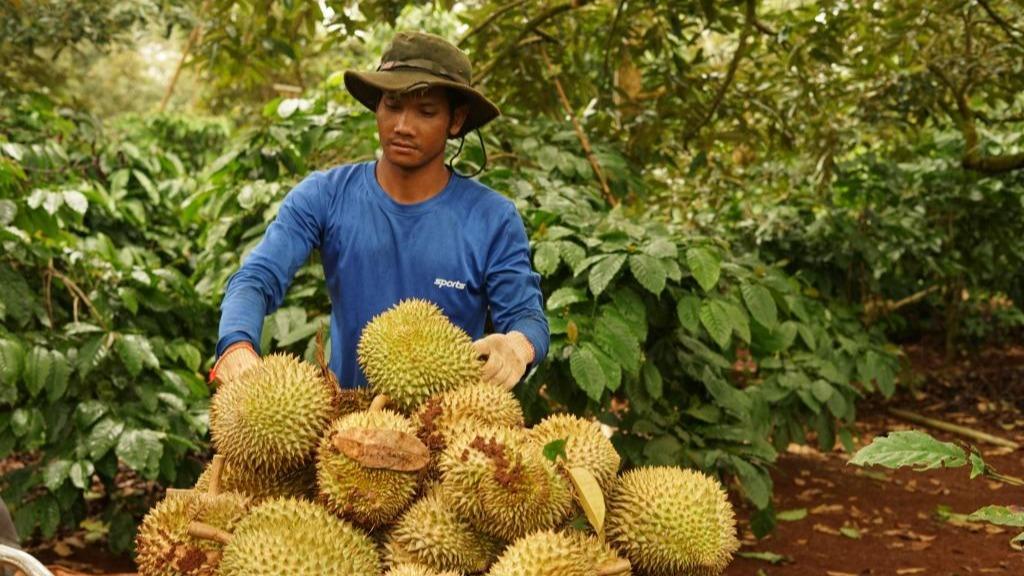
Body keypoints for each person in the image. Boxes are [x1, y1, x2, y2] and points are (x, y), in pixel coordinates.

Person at [209, 31, 549, 392]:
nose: (402, 125)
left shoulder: (492, 218)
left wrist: (516, 346)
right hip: (343, 424)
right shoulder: (325, 195)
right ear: (377, 107)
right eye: (393, 105)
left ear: (456, 120)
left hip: (446, 430)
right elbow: (256, 278)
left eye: (426, 111)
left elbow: (527, 318)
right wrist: (236, 343)